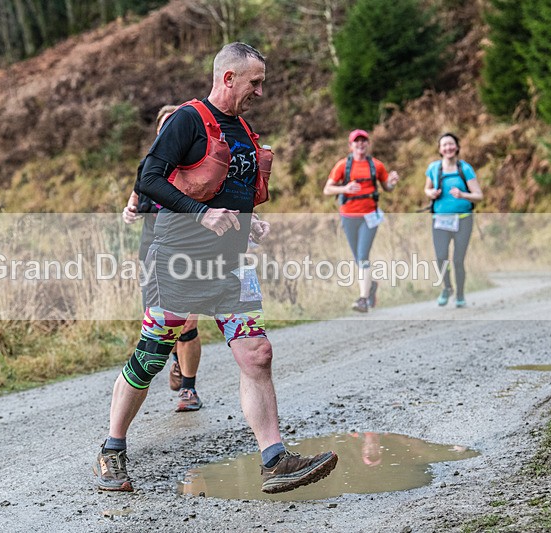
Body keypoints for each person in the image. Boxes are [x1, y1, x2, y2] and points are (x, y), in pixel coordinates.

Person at [94, 42, 338, 494]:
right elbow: (148, 179)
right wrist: (200, 213)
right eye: (255, 82)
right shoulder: (188, 119)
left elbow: (231, 191)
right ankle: (112, 449)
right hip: (179, 261)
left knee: (257, 354)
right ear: (228, 78)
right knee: (150, 359)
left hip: (231, 266)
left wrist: (250, 222)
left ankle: (275, 458)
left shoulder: (243, 128)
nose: (261, 92)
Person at [123, 105, 203, 412]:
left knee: (187, 322)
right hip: (152, 250)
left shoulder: (195, 168)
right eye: (165, 126)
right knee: (160, 322)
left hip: (187, 251)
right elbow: (132, 204)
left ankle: (188, 389)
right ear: (159, 133)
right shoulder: (148, 166)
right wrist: (129, 212)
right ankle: (176, 361)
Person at [323, 129, 400, 313]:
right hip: (349, 216)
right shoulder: (343, 166)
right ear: (350, 146)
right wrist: (345, 188)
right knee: (358, 258)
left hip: (369, 216)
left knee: (363, 255)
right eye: (356, 142)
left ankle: (363, 299)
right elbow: (327, 189)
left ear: (368, 144)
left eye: (363, 141)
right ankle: (371, 286)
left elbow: (386, 187)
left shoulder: (376, 165)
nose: (360, 144)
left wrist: (392, 182)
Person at [424, 132, 483, 307]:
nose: (448, 148)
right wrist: (431, 193)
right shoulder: (434, 168)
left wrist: (462, 194)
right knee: (441, 257)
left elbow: (478, 196)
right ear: (440, 149)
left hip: (463, 220)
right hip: (440, 220)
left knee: (458, 260)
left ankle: (460, 295)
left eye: (451, 144)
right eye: (444, 145)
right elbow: (426, 189)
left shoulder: (464, 169)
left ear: (457, 147)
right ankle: (447, 287)